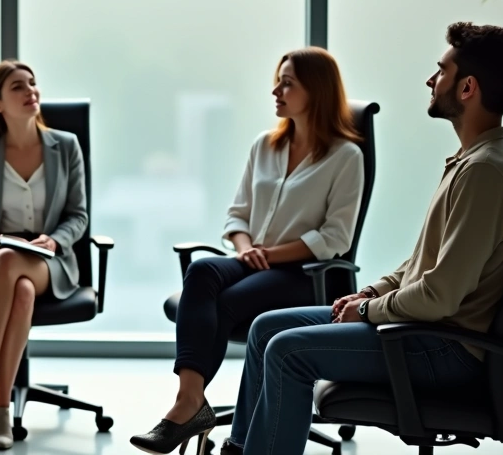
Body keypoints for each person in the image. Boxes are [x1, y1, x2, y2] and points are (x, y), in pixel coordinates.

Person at [219, 22, 503, 455]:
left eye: (442, 71)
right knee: (265, 328)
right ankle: (240, 449)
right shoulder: (471, 160)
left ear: (467, 88)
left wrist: (367, 311)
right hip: (425, 330)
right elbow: (422, 264)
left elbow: (439, 297)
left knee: (287, 352)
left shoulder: (485, 172)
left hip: (444, 348)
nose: (431, 80)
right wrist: (370, 292)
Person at [131, 47, 365, 454]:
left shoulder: (346, 157)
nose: (276, 90)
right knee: (202, 271)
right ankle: (188, 401)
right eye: (278, 81)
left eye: (287, 83)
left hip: (303, 274)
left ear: (317, 90)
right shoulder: (265, 146)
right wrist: (245, 249)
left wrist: (268, 255)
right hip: (252, 259)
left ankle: (228, 432)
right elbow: (236, 215)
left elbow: (335, 238)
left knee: (228, 302)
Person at [0, 60, 89, 450]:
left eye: (32, 83)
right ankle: (1, 408)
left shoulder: (66, 147)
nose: (31, 91)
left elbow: (78, 215)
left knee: (22, 280)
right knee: (12, 270)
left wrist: (55, 240)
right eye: (18, 87)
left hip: (48, 259)